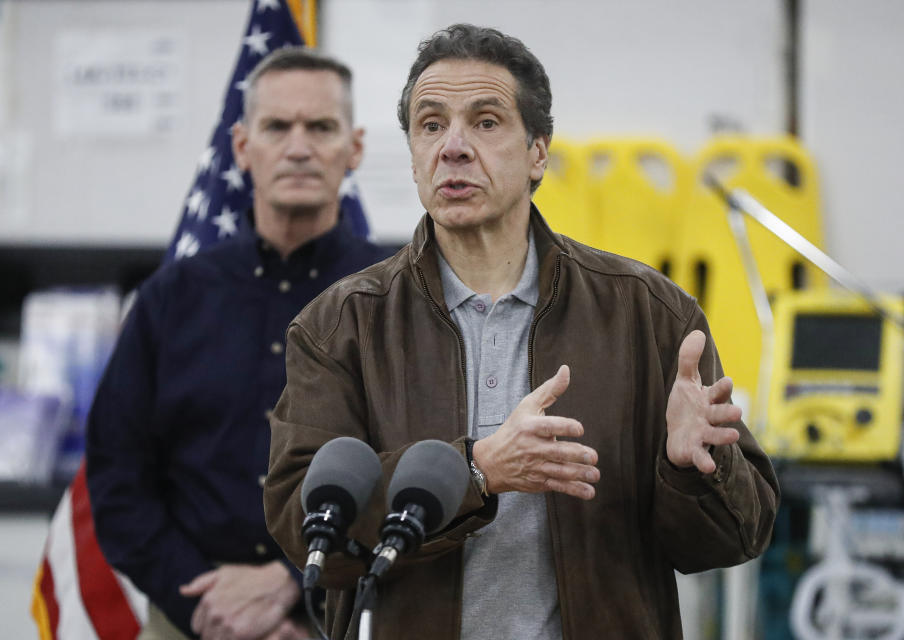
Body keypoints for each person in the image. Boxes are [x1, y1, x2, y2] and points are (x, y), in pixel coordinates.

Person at [264, 24, 779, 640]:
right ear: (412, 156)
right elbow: (308, 533)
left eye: (485, 122)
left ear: (539, 152)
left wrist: (694, 468)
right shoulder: (340, 326)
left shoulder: (649, 314)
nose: (452, 147)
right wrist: (477, 472)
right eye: (431, 125)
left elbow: (732, 540)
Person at [85, 48, 390, 640]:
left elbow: (416, 463)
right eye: (277, 126)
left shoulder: (398, 297)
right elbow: (117, 477)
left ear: (353, 148)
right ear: (242, 147)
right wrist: (205, 605)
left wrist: (290, 582)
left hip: (344, 613)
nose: (298, 147)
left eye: (320, 127)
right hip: (195, 611)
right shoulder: (169, 300)